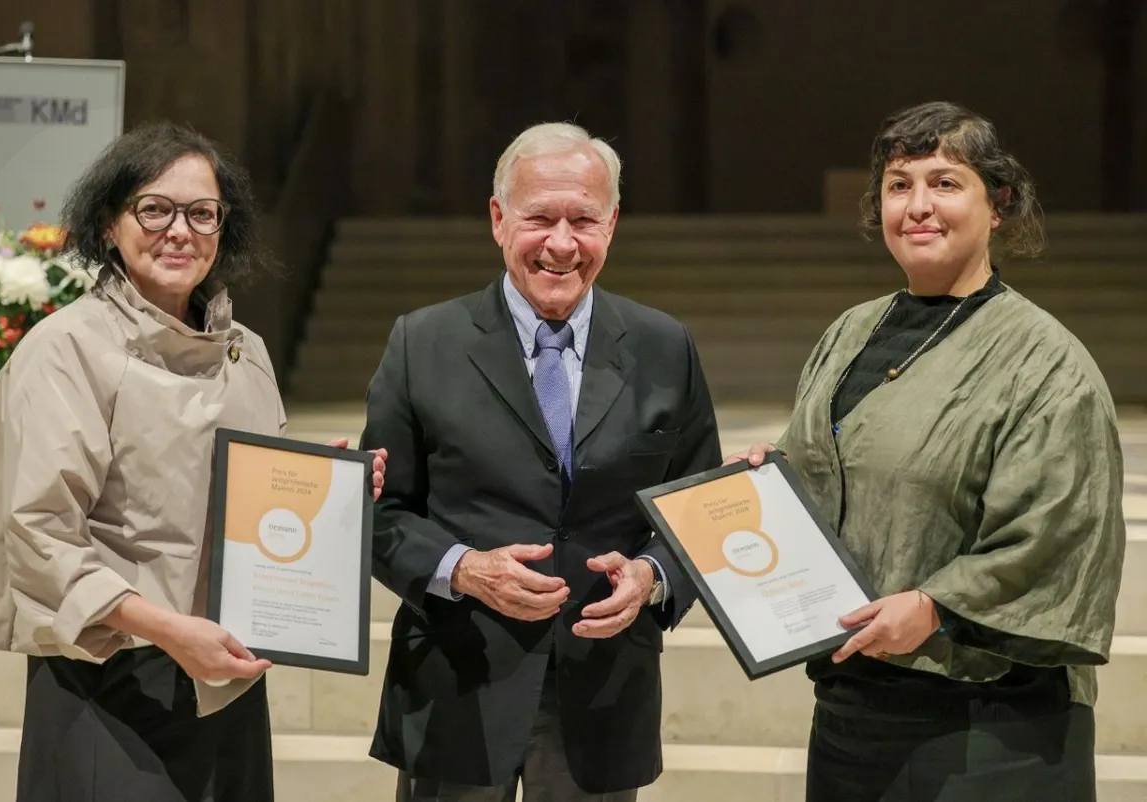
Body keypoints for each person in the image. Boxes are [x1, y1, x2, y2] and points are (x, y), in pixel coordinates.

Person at [0, 121, 387, 802]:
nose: (179, 230)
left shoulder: (247, 351)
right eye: (154, 209)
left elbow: (241, 499)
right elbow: (40, 535)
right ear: (108, 225)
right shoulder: (65, 350)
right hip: (112, 679)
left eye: (202, 213)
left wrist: (320, 485)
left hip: (224, 669)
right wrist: (170, 631)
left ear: (224, 229)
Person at [727, 101, 1125, 802]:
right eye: (899, 184)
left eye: (945, 183)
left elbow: (1056, 535)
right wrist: (766, 487)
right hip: (853, 714)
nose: (918, 206)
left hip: (988, 733)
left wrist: (936, 606)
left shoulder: (1045, 362)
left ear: (997, 205)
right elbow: (822, 469)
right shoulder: (851, 332)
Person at [358, 121, 722, 801]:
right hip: (457, 685)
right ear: (498, 220)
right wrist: (461, 569)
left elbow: (701, 511)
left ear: (612, 224)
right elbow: (377, 515)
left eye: (583, 219)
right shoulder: (422, 343)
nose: (561, 243)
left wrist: (650, 576)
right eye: (539, 218)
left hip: (604, 692)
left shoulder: (664, 347)